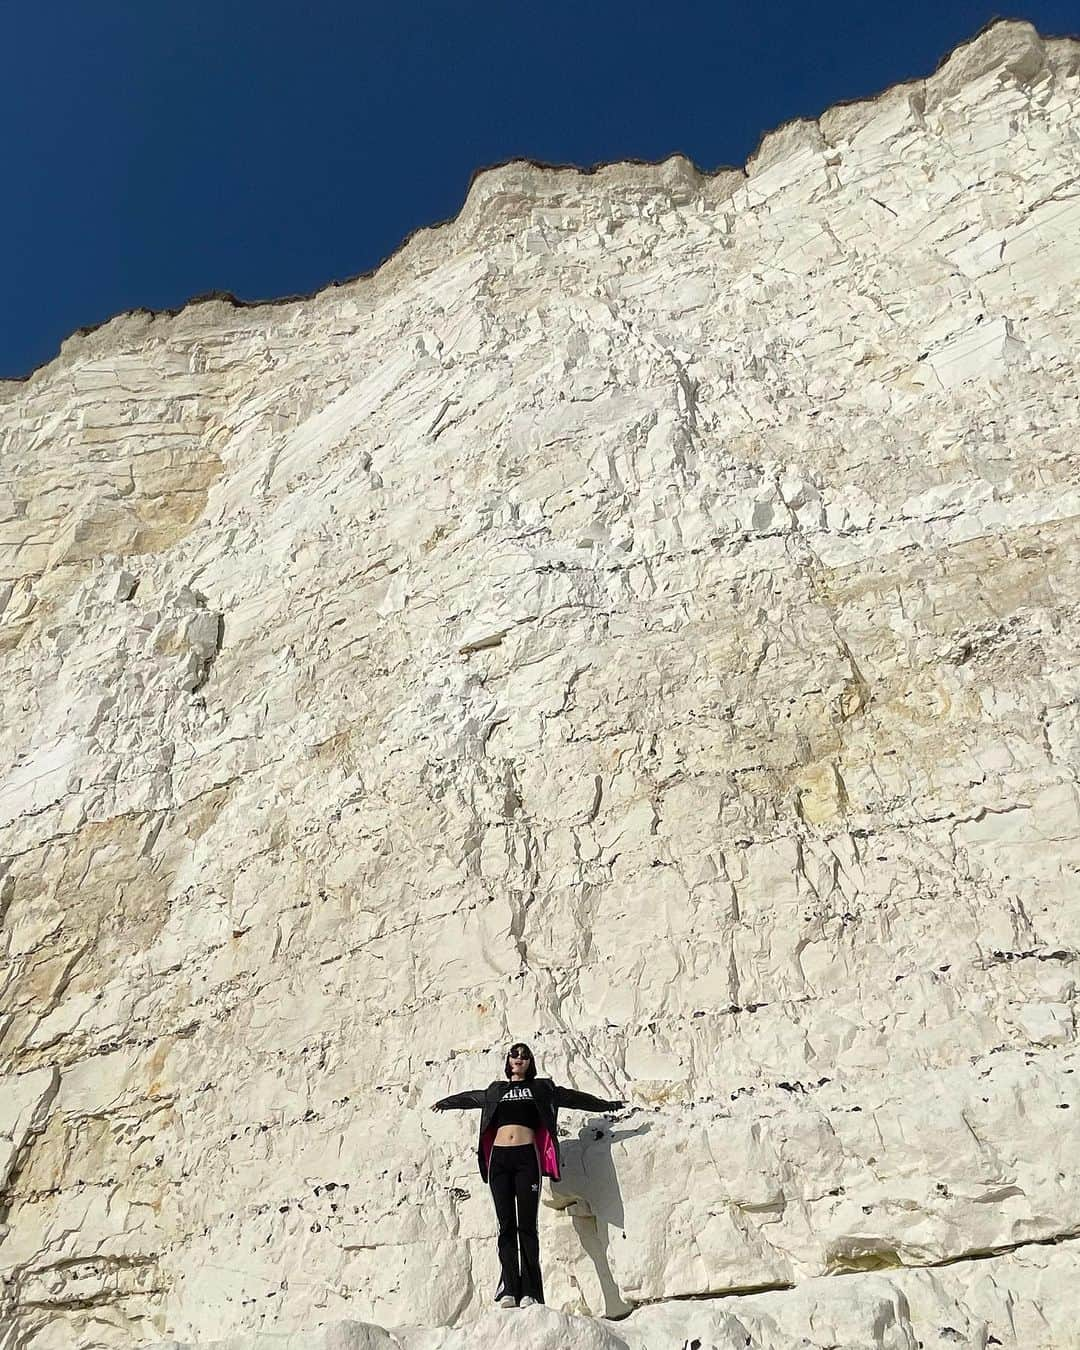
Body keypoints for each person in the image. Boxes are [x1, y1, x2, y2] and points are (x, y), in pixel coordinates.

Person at [431, 1041, 624, 1308]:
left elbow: (574, 1098)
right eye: (514, 1054)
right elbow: (471, 1098)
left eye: (524, 1055)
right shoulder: (496, 1090)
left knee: (527, 1226)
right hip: (499, 1159)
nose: (519, 1058)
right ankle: (509, 1287)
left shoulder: (541, 1088)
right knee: (505, 1225)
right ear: (508, 1061)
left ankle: (531, 1291)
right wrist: (447, 1102)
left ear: (530, 1062)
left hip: (526, 1159)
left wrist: (605, 1105)